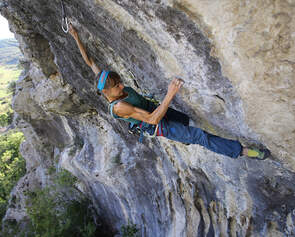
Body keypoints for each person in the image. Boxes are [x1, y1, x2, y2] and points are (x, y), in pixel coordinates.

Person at [68, 23, 269, 159]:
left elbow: (90, 62)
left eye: (120, 82)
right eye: (117, 86)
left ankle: (185, 135)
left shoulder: (105, 82)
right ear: (105, 92)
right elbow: (152, 120)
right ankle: (245, 152)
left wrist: (75, 36)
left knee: (186, 123)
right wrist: (170, 93)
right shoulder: (119, 106)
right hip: (158, 124)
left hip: (158, 110)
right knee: (200, 137)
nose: (122, 86)